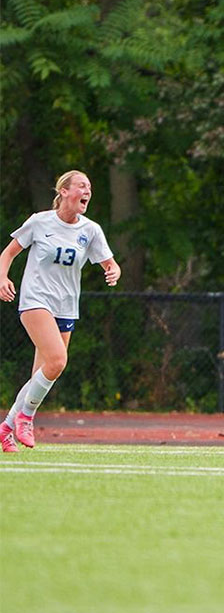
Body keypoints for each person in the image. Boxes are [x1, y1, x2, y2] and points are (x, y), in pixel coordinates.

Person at [0, 171, 120, 453]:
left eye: (89, 187)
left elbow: (110, 263)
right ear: (64, 191)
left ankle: (6, 428)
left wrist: (113, 270)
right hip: (35, 301)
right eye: (81, 185)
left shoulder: (90, 230)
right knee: (57, 361)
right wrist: (3, 277)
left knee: (43, 373)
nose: (87, 190)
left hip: (66, 306)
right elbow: (7, 253)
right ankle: (25, 419)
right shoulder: (40, 222)